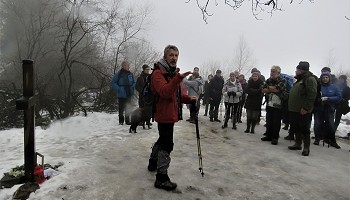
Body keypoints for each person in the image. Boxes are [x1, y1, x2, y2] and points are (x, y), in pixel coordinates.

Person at [147, 45, 197, 191]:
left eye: (176, 55)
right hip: (164, 115)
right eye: (171, 55)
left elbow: (177, 95)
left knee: (162, 140)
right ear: (165, 56)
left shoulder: (171, 73)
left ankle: (153, 163)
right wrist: (178, 79)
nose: (174, 58)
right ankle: (161, 178)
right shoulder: (158, 74)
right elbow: (165, 93)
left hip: (171, 114)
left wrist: (188, 98)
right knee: (167, 144)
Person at [287, 61, 317, 156]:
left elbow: (312, 94)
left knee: (304, 129)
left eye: (297, 70)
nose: (296, 71)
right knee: (296, 127)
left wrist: (306, 107)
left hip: (303, 110)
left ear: (301, 70)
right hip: (295, 109)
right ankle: (298, 143)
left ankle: (306, 148)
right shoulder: (300, 79)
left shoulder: (309, 79)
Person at [313, 72, 341, 148]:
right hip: (319, 109)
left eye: (326, 77)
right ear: (321, 78)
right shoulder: (318, 86)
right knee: (317, 124)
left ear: (329, 78)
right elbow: (314, 96)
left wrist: (329, 98)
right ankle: (317, 138)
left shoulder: (334, 87)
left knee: (331, 125)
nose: (325, 79)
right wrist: (319, 100)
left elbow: (339, 97)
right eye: (323, 77)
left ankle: (333, 141)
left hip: (329, 109)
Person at [261, 66, 287, 145]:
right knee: (269, 119)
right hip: (270, 102)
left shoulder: (283, 80)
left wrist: (269, 88)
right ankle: (268, 135)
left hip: (279, 103)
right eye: (271, 71)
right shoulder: (269, 80)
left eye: (273, 71)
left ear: (278, 73)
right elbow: (263, 89)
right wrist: (271, 88)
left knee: (276, 121)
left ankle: (275, 137)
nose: (271, 73)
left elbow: (278, 89)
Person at [110, 61, 135, 125]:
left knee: (128, 107)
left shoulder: (130, 74)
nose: (128, 67)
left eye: (129, 65)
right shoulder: (118, 74)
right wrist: (119, 88)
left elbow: (134, 82)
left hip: (129, 92)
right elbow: (112, 83)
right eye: (127, 65)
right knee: (121, 108)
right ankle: (121, 121)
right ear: (123, 66)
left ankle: (127, 121)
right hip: (121, 94)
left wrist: (132, 87)